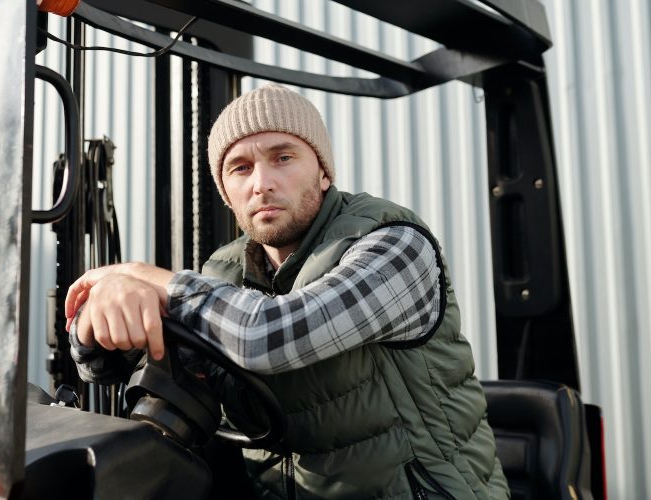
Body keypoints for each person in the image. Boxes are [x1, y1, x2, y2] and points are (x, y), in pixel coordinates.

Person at [64, 83, 509, 499]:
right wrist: (102, 314)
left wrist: (146, 276)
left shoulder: (395, 244)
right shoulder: (223, 273)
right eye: (240, 168)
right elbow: (124, 367)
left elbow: (268, 337)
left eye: (283, 158)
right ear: (227, 194)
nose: (262, 183)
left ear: (323, 173)